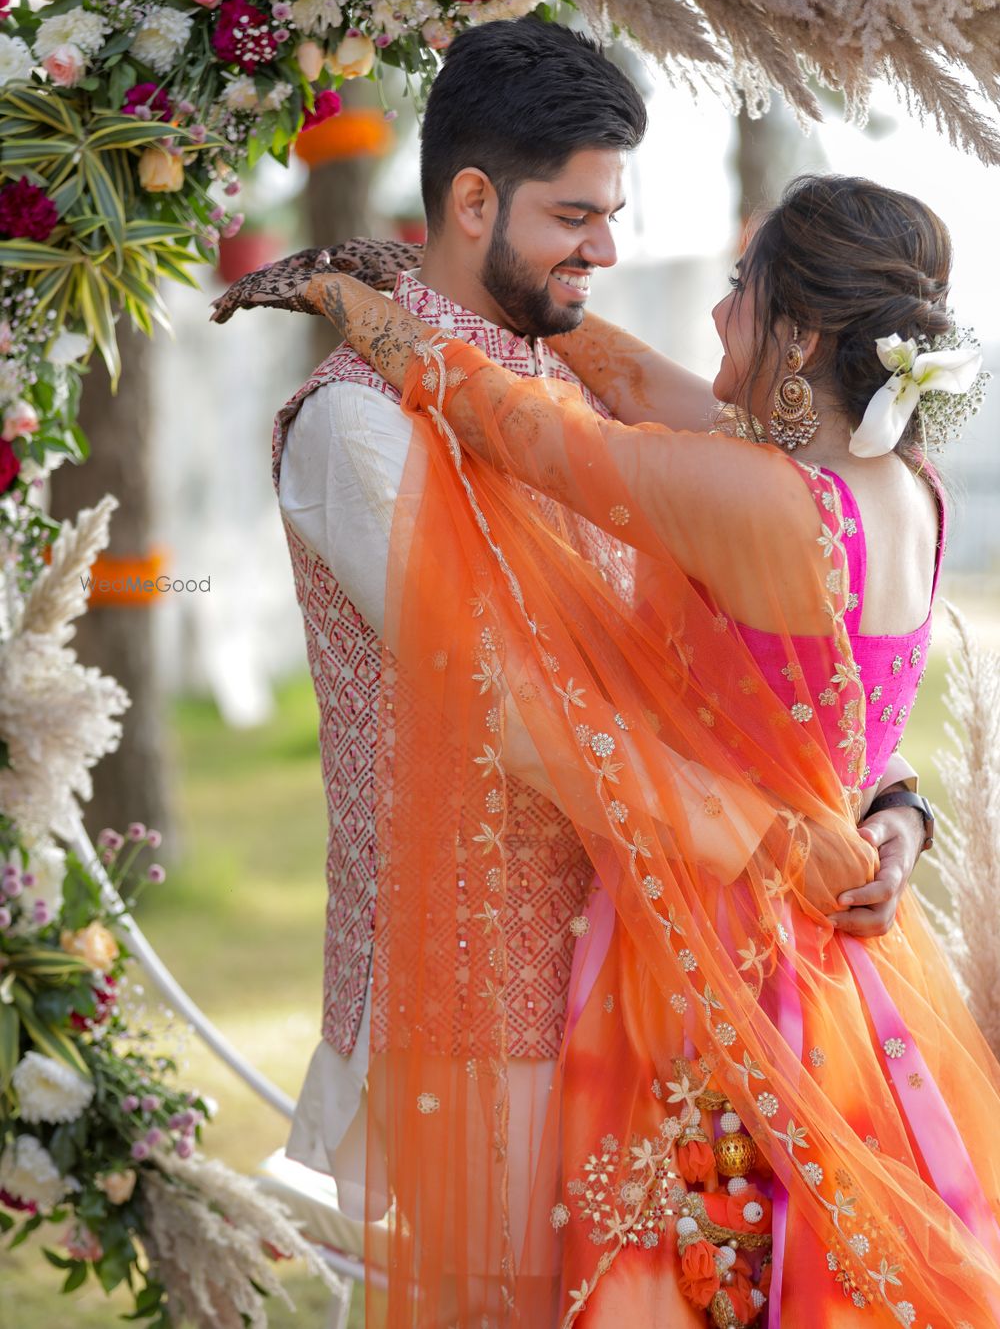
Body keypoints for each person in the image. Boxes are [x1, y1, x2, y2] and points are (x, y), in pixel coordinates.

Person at [283, 171, 998, 1328]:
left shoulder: (754, 496)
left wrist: (350, 300)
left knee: (693, 1258)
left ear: (801, 331)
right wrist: (511, 291)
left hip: (714, 924)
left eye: (737, 288)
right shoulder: (897, 488)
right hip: (836, 941)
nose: (715, 316)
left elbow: (518, 431)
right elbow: (623, 379)